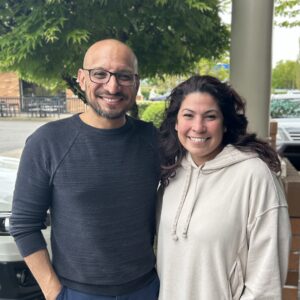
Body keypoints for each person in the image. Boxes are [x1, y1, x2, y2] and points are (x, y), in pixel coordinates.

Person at [10, 39, 160, 300]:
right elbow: (24, 224)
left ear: (136, 82)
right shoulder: (47, 142)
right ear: (81, 78)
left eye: (124, 76)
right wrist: (54, 292)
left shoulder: (154, 140)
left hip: (147, 288)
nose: (112, 86)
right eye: (99, 74)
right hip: (75, 292)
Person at [157, 75, 291, 300]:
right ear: (176, 123)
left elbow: (267, 279)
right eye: (188, 115)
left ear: (225, 122)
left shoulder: (254, 175)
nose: (198, 127)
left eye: (210, 116)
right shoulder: (171, 171)